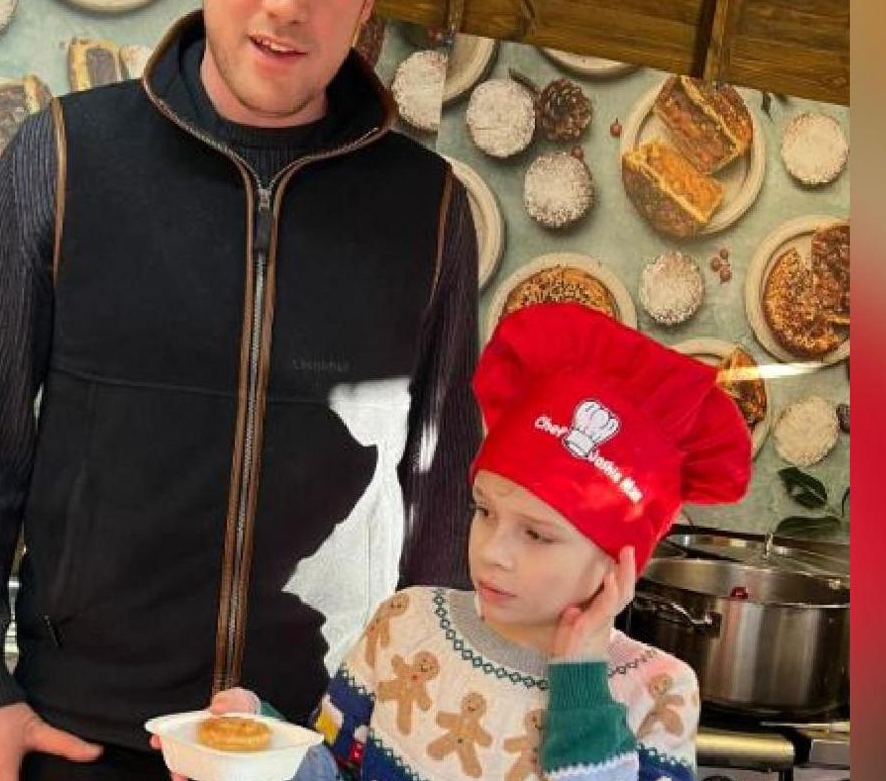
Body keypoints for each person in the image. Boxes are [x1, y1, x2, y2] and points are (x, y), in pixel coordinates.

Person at [0, 0, 481, 778]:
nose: (289, 1)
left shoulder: (431, 210)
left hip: (318, 752)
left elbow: (441, 485)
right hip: (81, 738)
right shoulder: (64, 157)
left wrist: (427, 717)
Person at [174, 302, 752, 781]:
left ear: (618, 562)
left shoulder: (657, 693)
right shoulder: (407, 622)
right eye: (484, 511)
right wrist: (261, 748)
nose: (492, 551)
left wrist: (579, 678)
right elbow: (339, 771)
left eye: (536, 534)